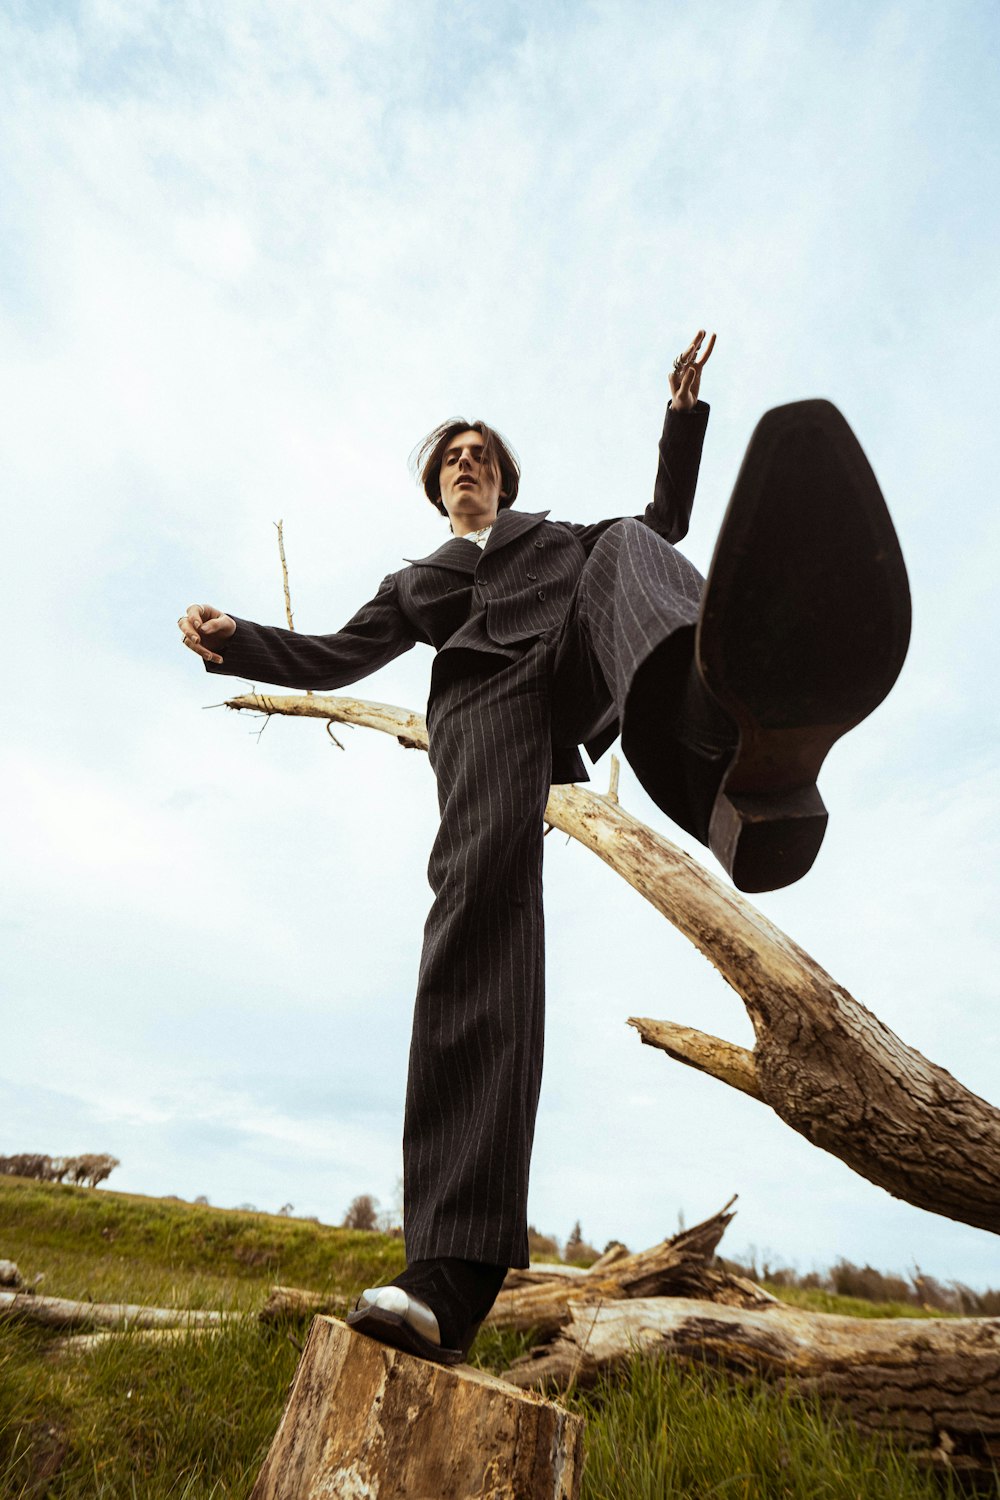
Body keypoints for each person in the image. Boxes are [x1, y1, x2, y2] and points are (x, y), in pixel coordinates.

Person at [178, 331, 910, 1365]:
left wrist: (681, 419)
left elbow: (664, 526)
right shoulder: (415, 581)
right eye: (451, 457)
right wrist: (235, 638)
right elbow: (337, 656)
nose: (466, 461)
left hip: (572, 666)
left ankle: (737, 748)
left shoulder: (557, 537)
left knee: (624, 547)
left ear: (504, 476)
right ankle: (451, 1265)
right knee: (478, 914)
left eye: (481, 451)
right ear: (438, 487)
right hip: (483, 714)